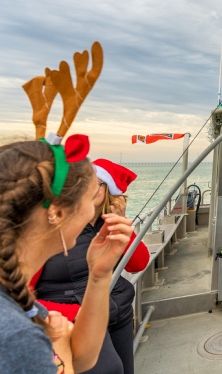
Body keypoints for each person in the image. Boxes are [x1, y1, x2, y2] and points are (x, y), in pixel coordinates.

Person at [0, 139, 133, 373]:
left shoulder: (16, 300)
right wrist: (61, 347)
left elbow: (83, 359)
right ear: (58, 213)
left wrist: (98, 276)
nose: (93, 209)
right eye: (89, 197)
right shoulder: (18, 338)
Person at [32, 159, 149, 374]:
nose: (87, 188)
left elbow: (138, 264)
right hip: (72, 327)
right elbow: (20, 298)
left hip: (118, 315)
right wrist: (79, 314)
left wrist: (121, 222)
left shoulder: (108, 225)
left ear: (109, 190)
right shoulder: (51, 233)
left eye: (97, 183)